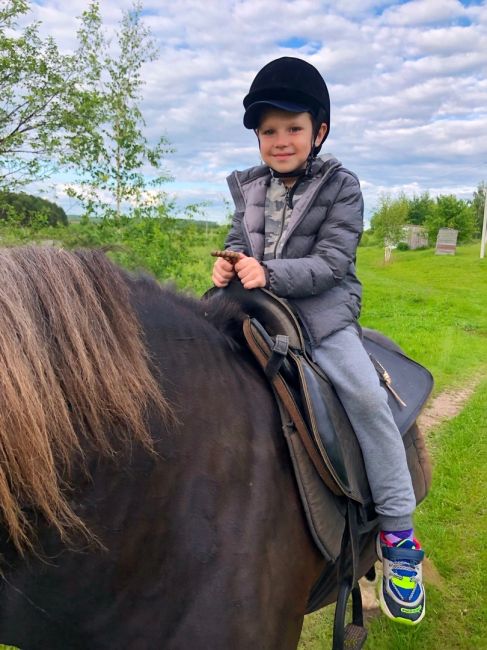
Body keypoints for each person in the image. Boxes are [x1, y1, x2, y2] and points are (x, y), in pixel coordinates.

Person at [211, 56, 425, 626]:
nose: (280, 141)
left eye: (293, 128)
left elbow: (333, 261)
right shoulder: (249, 187)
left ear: (319, 131)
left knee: (363, 397)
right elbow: (239, 239)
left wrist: (270, 273)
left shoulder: (342, 187)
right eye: (269, 131)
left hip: (321, 314)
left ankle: (399, 535)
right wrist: (230, 266)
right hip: (257, 304)